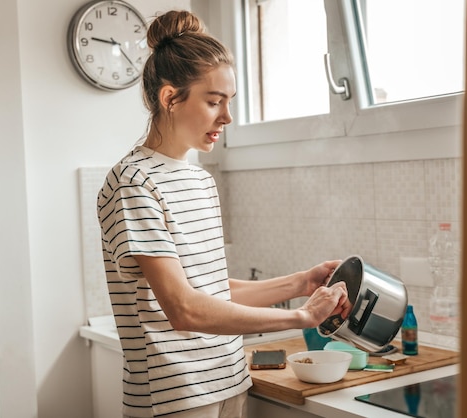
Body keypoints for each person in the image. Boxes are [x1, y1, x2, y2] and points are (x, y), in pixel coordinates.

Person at [97, 10, 352, 418]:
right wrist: (303, 318)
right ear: (169, 98)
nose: (227, 118)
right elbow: (183, 308)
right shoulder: (133, 182)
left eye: (228, 102)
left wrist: (300, 282)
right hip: (173, 395)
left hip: (229, 380)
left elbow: (210, 290)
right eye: (214, 101)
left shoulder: (198, 180)